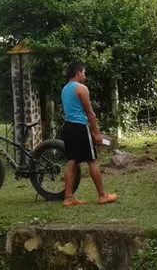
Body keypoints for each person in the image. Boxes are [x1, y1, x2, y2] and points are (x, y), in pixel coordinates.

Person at [61, 60, 118, 207]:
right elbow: (89, 112)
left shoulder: (65, 89)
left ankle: (68, 198)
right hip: (81, 127)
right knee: (92, 161)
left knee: (72, 162)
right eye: (84, 73)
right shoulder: (81, 88)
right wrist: (97, 133)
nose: (85, 76)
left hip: (68, 127)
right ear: (78, 73)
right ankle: (102, 195)